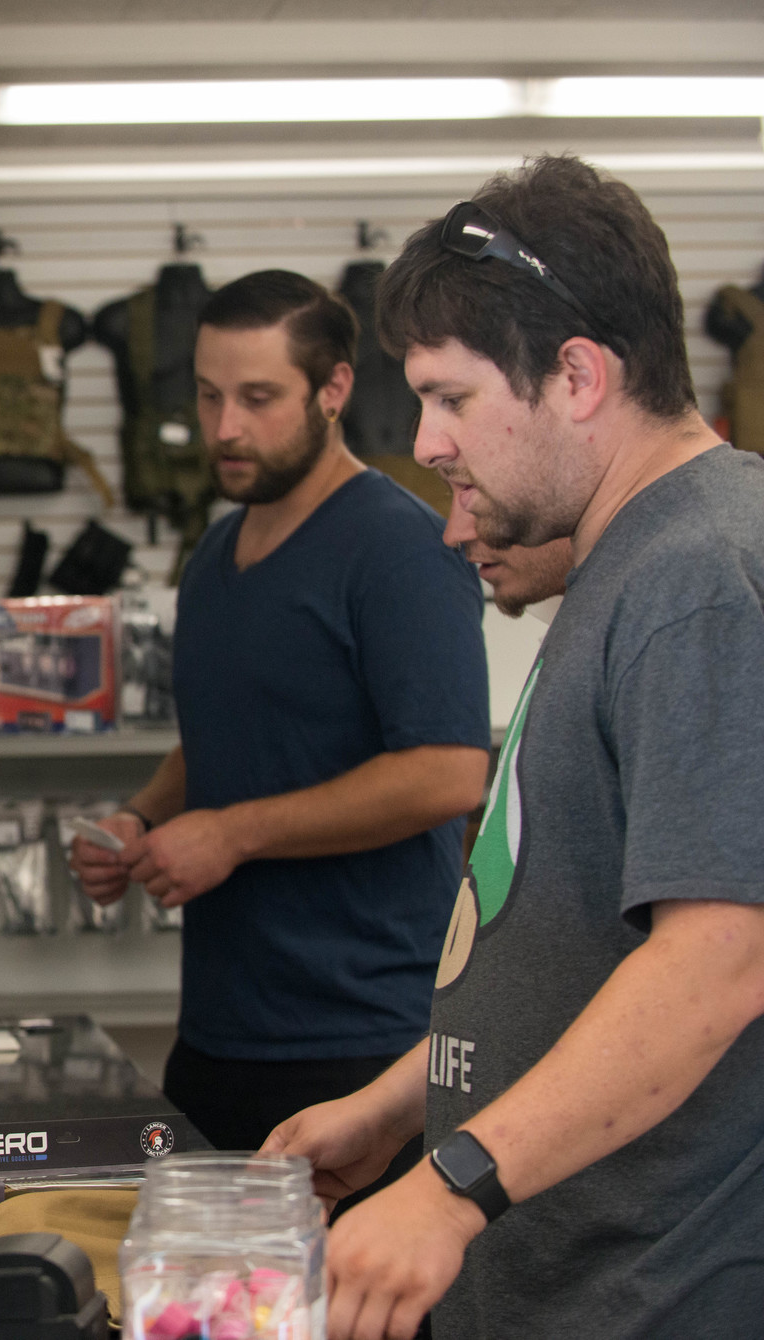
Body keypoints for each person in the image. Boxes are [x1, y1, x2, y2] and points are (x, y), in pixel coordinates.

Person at [263, 154, 764, 1340]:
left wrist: (448, 1186)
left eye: (447, 396)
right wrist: (401, 1107)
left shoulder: (701, 577)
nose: (426, 442)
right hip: (553, 1278)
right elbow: (564, 935)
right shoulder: (624, 565)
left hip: (650, 1293)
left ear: (577, 376)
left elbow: (717, 959)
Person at [69, 270, 490, 1164]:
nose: (225, 427)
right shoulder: (216, 551)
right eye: (210, 395)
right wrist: (141, 817)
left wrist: (234, 835)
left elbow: (448, 772)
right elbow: (226, 731)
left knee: (347, 1310)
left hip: (363, 1046)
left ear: (333, 389)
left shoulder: (399, 548)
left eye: (259, 398)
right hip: (221, 1035)